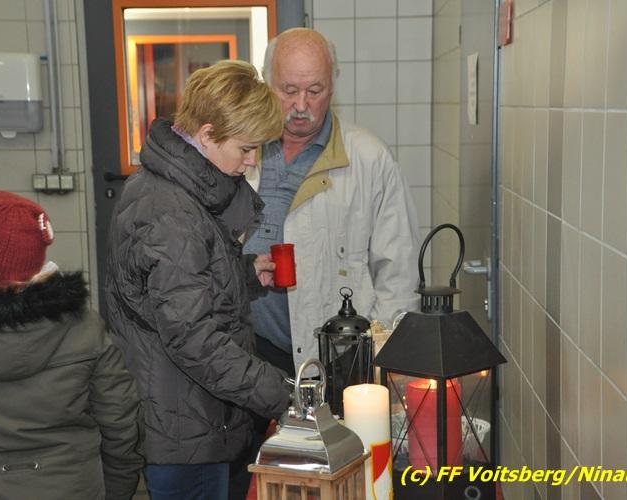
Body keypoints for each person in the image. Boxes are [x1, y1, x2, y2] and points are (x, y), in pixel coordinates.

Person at [105, 60, 291, 500]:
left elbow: (178, 286)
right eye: (246, 148)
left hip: (187, 412)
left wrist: (246, 274)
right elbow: (194, 339)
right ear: (207, 135)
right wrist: (283, 393)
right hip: (184, 429)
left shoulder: (173, 188)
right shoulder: (171, 212)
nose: (252, 161)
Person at [0, 190, 143, 500]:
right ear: (37, 258)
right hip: (70, 486)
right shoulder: (83, 327)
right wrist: (114, 490)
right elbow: (121, 423)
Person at [243, 27, 421, 376]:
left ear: (333, 86)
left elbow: (398, 275)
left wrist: (374, 360)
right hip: (247, 353)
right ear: (266, 81)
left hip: (340, 357)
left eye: (315, 91)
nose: (301, 106)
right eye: (288, 90)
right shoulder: (239, 149)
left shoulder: (369, 159)